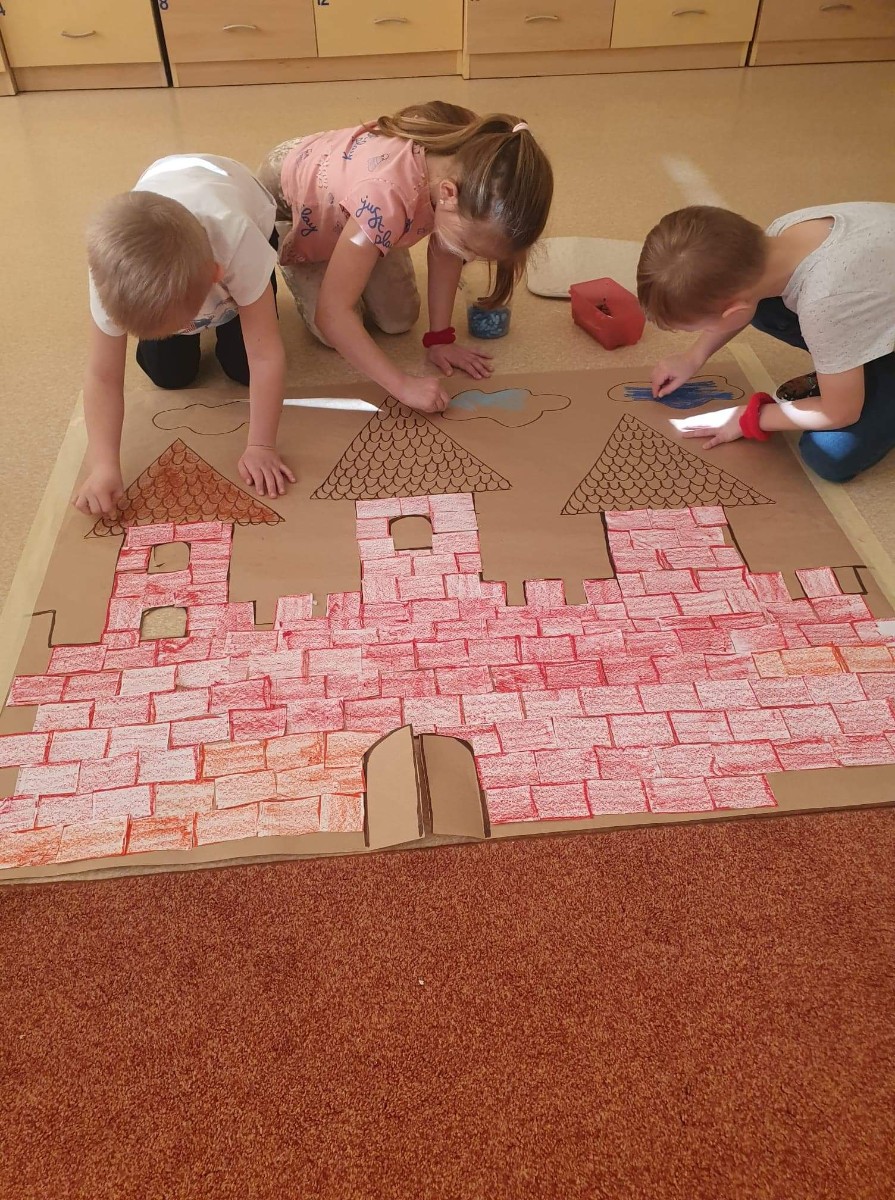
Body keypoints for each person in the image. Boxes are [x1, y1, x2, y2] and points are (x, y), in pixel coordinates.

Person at [258, 100, 554, 414]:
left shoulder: (476, 163)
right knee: (333, 335)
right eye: (468, 247)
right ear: (448, 194)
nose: (466, 259)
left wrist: (440, 339)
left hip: (365, 210)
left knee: (398, 320)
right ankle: (321, 244)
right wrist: (402, 385)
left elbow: (447, 249)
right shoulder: (385, 199)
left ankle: (364, 248)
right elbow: (331, 315)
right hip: (298, 195)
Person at [75, 153, 294, 517]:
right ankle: (174, 322)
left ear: (216, 276)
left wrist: (261, 445)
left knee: (242, 368)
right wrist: (103, 465)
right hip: (172, 246)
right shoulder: (109, 274)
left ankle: (223, 309)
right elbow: (102, 375)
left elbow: (266, 355)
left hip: (244, 206)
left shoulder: (240, 240)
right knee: (169, 375)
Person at [637, 203, 895, 482]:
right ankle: (846, 371)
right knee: (766, 305)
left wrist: (749, 417)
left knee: (829, 455)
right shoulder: (781, 234)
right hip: (864, 296)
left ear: (733, 311)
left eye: (703, 327)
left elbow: (840, 413)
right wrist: (693, 356)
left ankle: (862, 374)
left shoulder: (825, 303)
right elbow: (747, 301)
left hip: (846, 306)